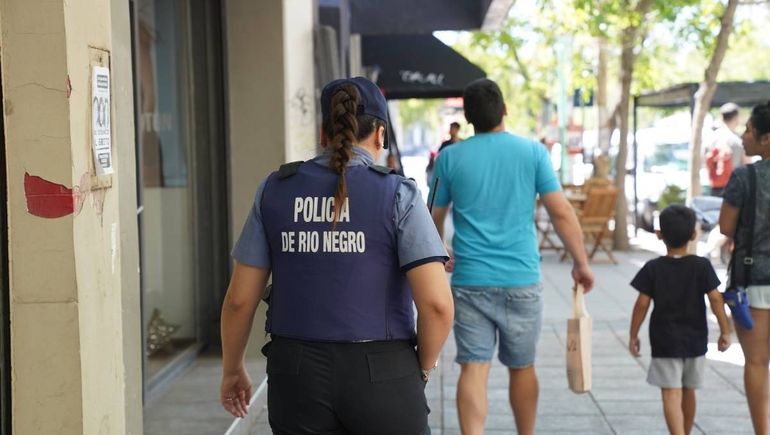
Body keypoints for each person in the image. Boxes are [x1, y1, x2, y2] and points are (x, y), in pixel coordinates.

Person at [219, 77, 454, 435]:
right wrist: (420, 367)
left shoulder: (275, 190)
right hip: (384, 371)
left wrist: (232, 368)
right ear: (380, 135)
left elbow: (239, 301)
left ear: (323, 132)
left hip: (296, 375)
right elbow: (437, 304)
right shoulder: (398, 194)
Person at [429, 78, 594, 435]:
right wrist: (581, 263)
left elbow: (432, 221)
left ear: (469, 117)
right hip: (521, 279)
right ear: (504, 109)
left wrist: (441, 250)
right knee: (523, 367)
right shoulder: (533, 153)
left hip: (470, 280)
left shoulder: (449, 158)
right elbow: (561, 213)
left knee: (473, 366)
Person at [628, 204, 731, 435]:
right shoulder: (701, 266)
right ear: (694, 235)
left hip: (664, 341)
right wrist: (725, 330)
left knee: (670, 392)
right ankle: (685, 431)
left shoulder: (653, 268)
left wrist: (633, 334)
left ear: (659, 235)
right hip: (695, 340)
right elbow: (715, 299)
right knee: (689, 389)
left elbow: (642, 304)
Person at [719, 101, 770, 435]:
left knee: (755, 362)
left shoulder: (744, 176)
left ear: (767, 138)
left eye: (750, 131)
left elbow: (725, 225)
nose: (744, 136)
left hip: (753, 280)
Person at [706, 102, 748, 197]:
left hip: (715, 187)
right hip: (734, 188)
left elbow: (705, 162)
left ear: (721, 117)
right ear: (736, 117)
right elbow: (747, 164)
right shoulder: (738, 140)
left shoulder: (711, 138)